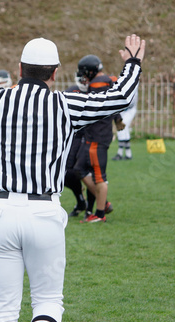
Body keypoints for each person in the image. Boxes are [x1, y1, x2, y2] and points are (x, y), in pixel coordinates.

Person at [0, 19, 145, 322]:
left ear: (19, 69)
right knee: (48, 302)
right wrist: (133, 63)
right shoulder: (65, 105)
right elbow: (119, 98)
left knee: (2, 312)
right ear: (54, 73)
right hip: (44, 211)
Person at [73, 55, 126, 223]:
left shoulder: (98, 83)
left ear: (90, 71)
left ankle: (100, 214)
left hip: (97, 136)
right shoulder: (106, 80)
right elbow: (111, 103)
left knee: (99, 176)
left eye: (84, 72)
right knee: (79, 169)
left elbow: (99, 104)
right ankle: (104, 202)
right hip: (95, 135)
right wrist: (117, 119)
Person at [112, 88, 138, 160]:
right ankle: (128, 154)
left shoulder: (133, 86)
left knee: (122, 128)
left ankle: (120, 153)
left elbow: (131, 102)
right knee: (123, 129)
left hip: (129, 110)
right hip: (122, 109)